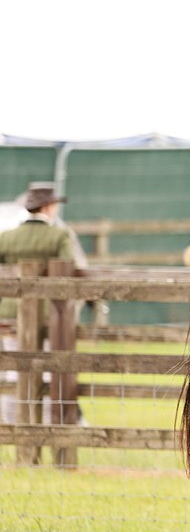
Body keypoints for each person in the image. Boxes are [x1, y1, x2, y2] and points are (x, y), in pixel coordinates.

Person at [0, 183, 83, 439]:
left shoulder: (7, 237)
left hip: (9, 313)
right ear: (48, 207)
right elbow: (69, 268)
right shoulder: (58, 237)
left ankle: (11, 422)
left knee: (14, 368)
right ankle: (49, 423)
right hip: (49, 314)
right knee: (48, 369)